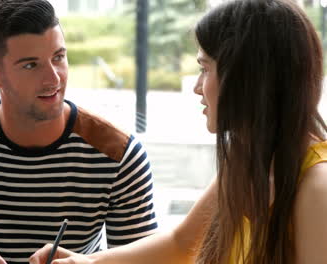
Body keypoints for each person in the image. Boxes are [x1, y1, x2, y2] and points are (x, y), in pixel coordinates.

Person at [29, 0, 327, 263]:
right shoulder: (246, 158)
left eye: (205, 68)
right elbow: (181, 244)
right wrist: (88, 262)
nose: (197, 87)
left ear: (249, 78)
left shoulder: (317, 189)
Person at [0, 0, 158, 263]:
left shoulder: (119, 153)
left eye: (58, 57)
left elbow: (145, 260)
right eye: (30, 65)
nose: (54, 79)